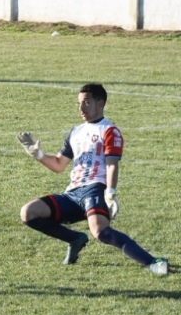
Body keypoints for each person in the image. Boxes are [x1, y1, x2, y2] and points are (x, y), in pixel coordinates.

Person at [16, 83, 168, 275]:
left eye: (87, 102)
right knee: (28, 212)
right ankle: (75, 239)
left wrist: (110, 194)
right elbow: (58, 165)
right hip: (72, 193)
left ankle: (153, 262)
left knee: (100, 232)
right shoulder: (75, 132)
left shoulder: (110, 131)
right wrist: (38, 155)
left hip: (95, 189)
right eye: (79, 103)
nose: (82, 108)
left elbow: (112, 164)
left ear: (101, 103)